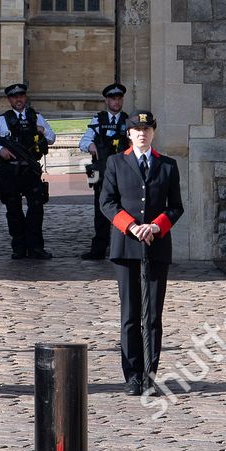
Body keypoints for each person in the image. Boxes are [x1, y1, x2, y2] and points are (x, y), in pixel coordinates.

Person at [98, 111, 182, 396]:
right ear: (129, 134)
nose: (142, 134)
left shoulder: (168, 165)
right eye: (136, 130)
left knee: (153, 315)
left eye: (146, 129)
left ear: (153, 133)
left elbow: (175, 206)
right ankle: (132, 375)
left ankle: (150, 374)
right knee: (131, 314)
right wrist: (132, 226)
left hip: (156, 245)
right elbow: (107, 202)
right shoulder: (116, 163)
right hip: (126, 246)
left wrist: (156, 227)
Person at [0, 82, 56, 259]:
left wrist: (42, 130)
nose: (18, 99)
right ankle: (18, 248)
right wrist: (1, 150)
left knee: (36, 209)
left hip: (31, 172)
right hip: (11, 172)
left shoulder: (36, 117)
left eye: (21, 96)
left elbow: (52, 138)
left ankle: (36, 247)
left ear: (25, 97)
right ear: (9, 100)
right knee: (14, 211)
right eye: (14, 97)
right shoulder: (2, 120)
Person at [78, 82, 129, 260]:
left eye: (119, 98)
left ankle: (122, 248)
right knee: (101, 210)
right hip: (102, 171)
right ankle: (99, 248)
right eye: (113, 99)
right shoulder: (98, 120)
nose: (116, 102)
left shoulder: (128, 121)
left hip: (123, 172)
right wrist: (91, 146)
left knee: (124, 209)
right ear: (106, 101)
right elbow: (83, 142)